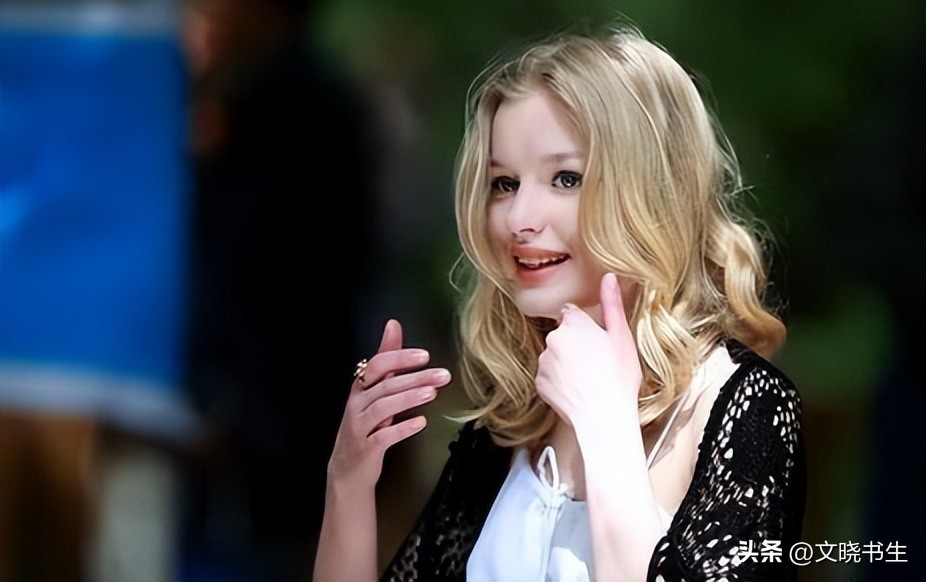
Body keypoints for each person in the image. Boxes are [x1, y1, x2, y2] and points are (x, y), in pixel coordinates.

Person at [315, 22, 806, 582]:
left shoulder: (745, 408)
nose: (519, 219)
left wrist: (605, 424)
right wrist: (348, 481)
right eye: (504, 183)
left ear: (651, 190)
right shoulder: (511, 425)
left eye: (566, 178)